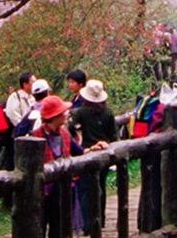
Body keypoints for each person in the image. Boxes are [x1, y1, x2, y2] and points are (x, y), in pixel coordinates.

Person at [32, 95, 87, 238]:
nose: (66, 113)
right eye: (63, 112)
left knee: (59, 229)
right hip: (42, 192)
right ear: (55, 116)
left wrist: (95, 149)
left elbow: (79, 152)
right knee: (39, 228)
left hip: (62, 190)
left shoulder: (64, 132)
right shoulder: (35, 136)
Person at [69, 79, 118, 235]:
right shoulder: (108, 113)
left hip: (86, 153)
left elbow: (71, 129)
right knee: (100, 186)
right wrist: (106, 143)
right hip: (103, 154)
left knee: (84, 189)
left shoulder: (80, 113)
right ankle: (100, 218)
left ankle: (87, 223)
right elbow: (114, 135)